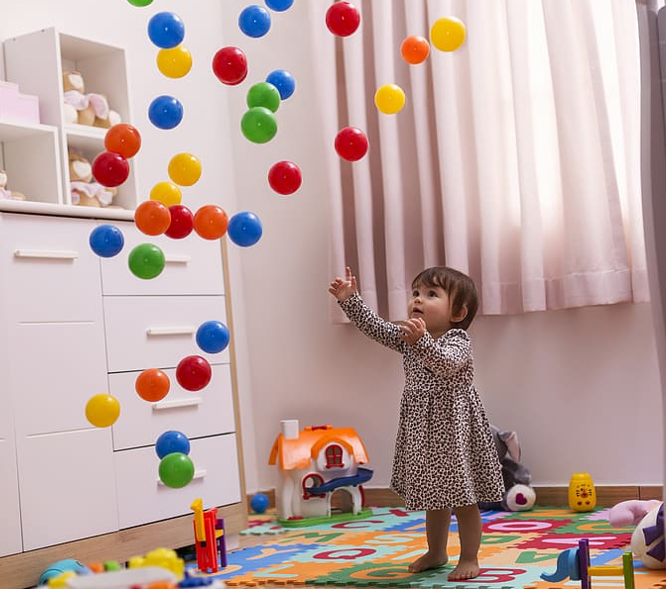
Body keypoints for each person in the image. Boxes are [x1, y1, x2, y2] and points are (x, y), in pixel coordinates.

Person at [329, 266, 504, 581]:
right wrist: (350, 299)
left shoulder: (457, 339)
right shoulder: (410, 337)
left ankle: (469, 557)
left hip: (454, 429)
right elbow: (376, 328)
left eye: (431, 294)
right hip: (422, 429)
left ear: (458, 312)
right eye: (415, 293)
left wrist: (422, 341)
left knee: (463, 497)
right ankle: (437, 552)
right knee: (433, 497)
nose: (418, 300)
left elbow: (446, 364)